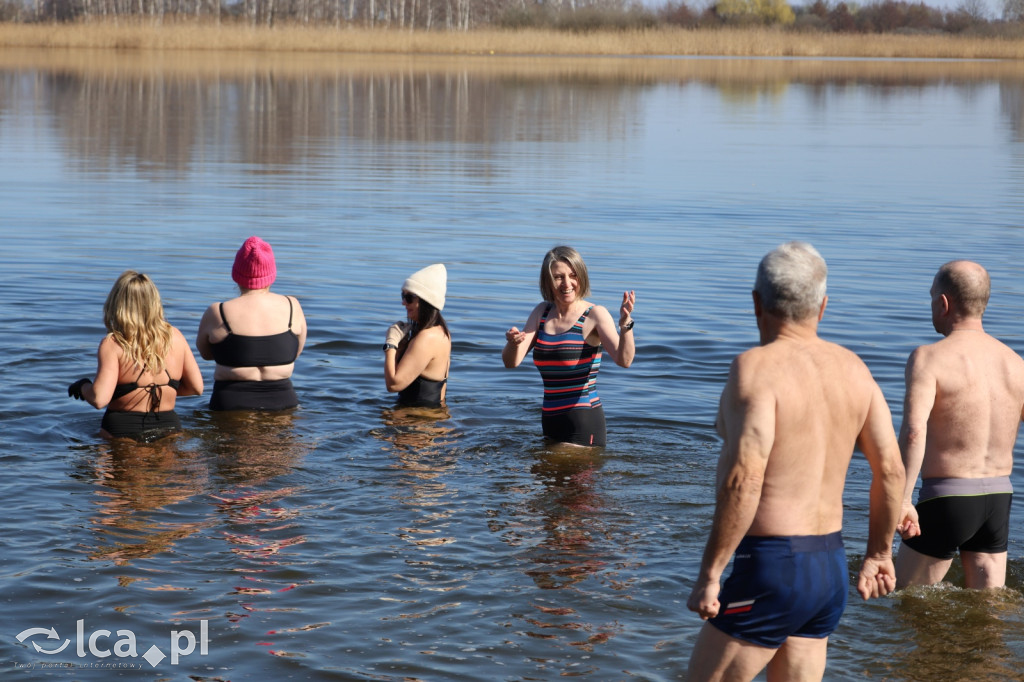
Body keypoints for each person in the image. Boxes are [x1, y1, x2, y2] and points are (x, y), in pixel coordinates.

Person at [686, 242, 907, 681]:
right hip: (829, 570)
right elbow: (891, 471)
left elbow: (744, 479)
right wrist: (880, 553)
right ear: (823, 306)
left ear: (756, 303)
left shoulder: (754, 369)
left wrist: (710, 575)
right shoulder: (855, 369)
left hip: (772, 564)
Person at [895, 260, 1024, 590]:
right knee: (988, 613)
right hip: (999, 497)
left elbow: (913, 431)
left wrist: (904, 499)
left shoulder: (929, 358)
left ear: (943, 303)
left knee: (906, 603)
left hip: (945, 498)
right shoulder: (1016, 363)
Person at [502, 245, 635, 447]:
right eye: (558, 277)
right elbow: (511, 362)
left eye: (573, 275)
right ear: (547, 281)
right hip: (550, 422)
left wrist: (626, 325)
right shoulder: (541, 312)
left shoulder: (594, 314)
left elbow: (624, 360)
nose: (567, 283)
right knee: (548, 477)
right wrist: (512, 344)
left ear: (581, 276)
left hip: (583, 422)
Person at [68, 270, 203, 441]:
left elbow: (100, 399)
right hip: (169, 428)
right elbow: (196, 388)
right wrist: (166, 391)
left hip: (121, 432)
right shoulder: (175, 337)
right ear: (154, 303)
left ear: (116, 304)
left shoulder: (113, 344)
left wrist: (83, 387)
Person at [196, 236, 307, 411]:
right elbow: (294, 353)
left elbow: (206, 354)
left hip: (230, 404)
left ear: (236, 274)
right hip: (283, 404)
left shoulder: (218, 312)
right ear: (271, 273)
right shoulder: (292, 306)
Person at [383, 263, 451, 408]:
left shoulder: (427, 337)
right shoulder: (441, 331)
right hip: (429, 417)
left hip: (418, 421)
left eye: (409, 298)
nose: (403, 303)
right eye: (403, 296)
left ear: (426, 301)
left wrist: (390, 344)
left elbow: (393, 385)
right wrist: (401, 347)